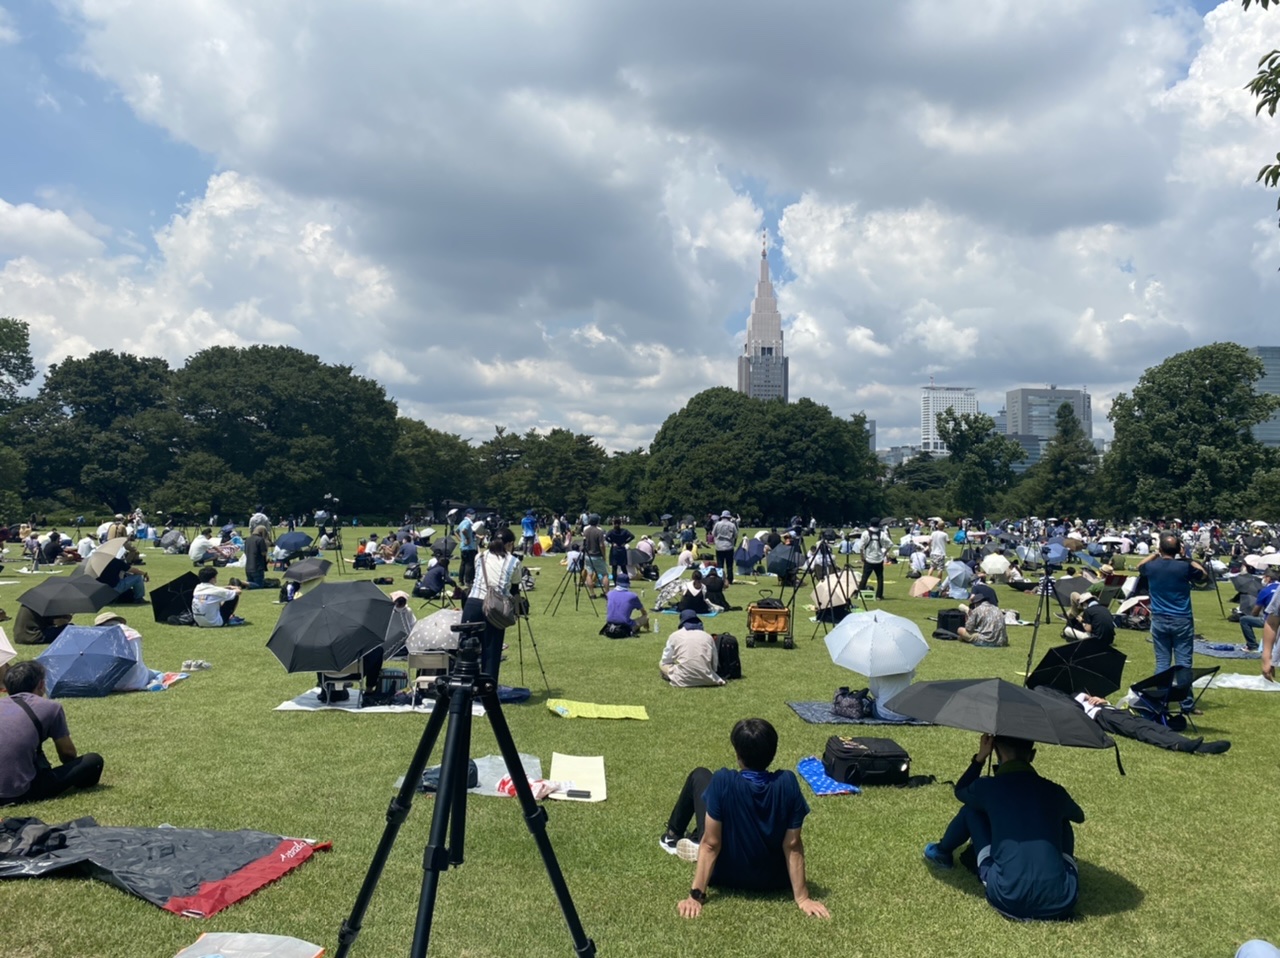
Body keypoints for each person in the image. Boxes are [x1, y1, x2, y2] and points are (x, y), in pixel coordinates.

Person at [660, 718, 828, 918]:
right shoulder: (788, 783)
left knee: (701, 775)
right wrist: (803, 898)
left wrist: (696, 896)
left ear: (738, 754)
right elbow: (792, 844)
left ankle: (673, 835)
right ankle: (694, 838)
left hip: (723, 874)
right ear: (773, 753)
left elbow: (712, 844)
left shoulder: (723, 781)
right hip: (774, 880)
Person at [924, 733, 1084, 921]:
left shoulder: (988, 787)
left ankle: (942, 852)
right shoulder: (1054, 790)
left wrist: (980, 758)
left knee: (971, 811)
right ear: (1032, 756)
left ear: (996, 753)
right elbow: (1079, 816)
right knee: (1063, 819)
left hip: (1006, 895)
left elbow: (960, 790)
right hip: (1062, 901)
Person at [0, 660, 105, 804]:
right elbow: (68, 754)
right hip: (19, 793)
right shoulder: (50, 707)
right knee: (93, 760)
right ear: (41, 685)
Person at [1030, 684, 1229, 754]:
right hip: (1101, 717)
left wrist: (1100, 699)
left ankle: (1190, 743)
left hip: (1109, 709)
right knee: (1138, 730)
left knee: (1146, 724)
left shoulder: (1077, 691)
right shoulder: (1055, 697)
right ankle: (1178, 745)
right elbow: (1074, 712)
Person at [1136, 534, 1206, 713]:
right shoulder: (1184, 567)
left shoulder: (1151, 566)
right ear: (1178, 550)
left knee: (1162, 662)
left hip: (1159, 618)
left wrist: (1155, 554)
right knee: (1183, 663)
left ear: (1160, 549)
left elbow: (1139, 566)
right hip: (1181, 618)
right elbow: (1203, 575)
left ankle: (1162, 700)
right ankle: (1187, 703)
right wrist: (1186, 557)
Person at [460, 527, 522, 680]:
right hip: (495, 606)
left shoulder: (480, 556)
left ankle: (463, 685)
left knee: (466, 649)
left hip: (473, 603)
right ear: (510, 544)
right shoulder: (513, 561)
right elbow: (514, 587)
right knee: (491, 651)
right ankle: (488, 689)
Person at [658, 610, 724, 687]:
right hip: (708, 678)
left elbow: (666, 660)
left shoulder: (675, 635)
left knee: (661, 663)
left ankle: (674, 676)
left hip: (682, 680)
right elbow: (714, 661)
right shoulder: (708, 636)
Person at [1240, 573, 1277, 651]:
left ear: (1268, 578)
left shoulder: (1265, 591)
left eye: (1264, 577)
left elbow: (1255, 612)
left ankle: (1252, 645)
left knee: (1244, 620)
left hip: (1271, 620)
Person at [859, 518, 892, 601]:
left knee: (864, 577)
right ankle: (879, 596)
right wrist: (884, 553)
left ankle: (859, 593)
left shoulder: (865, 533)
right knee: (880, 578)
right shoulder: (882, 533)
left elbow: (861, 547)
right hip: (879, 558)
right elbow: (890, 544)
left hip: (868, 558)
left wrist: (862, 557)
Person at [581, 515, 608, 598]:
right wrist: (604, 555)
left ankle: (592, 593)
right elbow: (601, 545)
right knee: (604, 574)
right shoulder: (599, 532)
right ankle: (607, 593)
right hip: (597, 555)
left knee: (589, 574)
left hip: (588, 555)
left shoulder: (586, 531)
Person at [711, 510, 738, 586]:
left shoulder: (717, 524)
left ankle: (720, 579)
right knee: (729, 565)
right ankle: (730, 579)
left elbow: (713, 534)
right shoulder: (732, 525)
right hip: (729, 546)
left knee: (720, 564)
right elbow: (735, 535)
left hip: (719, 546)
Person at [605, 517, 635, 583]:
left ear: (613, 524)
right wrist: (625, 542)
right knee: (623, 567)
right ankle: (626, 581)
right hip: (622, 549)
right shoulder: (624, 531)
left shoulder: (611, 532)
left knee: (614, 568)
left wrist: (612, 542)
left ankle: (615, 582)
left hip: (614, 550)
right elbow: (632, 536)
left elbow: (606, 537)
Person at [458, 508, 478, 588]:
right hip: (469, 547)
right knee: (469, 564)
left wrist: (461, 540)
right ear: (467, 514)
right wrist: (468, 538)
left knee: (463, 564)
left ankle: (461, 580)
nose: (473, 515)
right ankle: (468, 580)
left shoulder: (462, 522)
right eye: (471, 514)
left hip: (463, 547)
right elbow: (463, 530)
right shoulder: (467, 522)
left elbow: (456, 531)